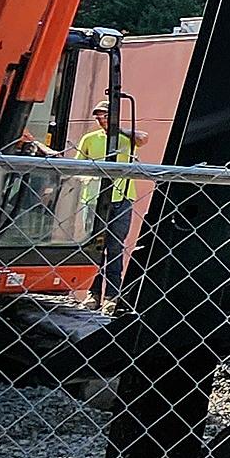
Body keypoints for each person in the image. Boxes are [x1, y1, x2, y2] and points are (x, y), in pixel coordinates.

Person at [76, 100, 138, 306]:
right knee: (95, 248)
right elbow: (78, 166)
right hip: (94, 199)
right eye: (99, 116)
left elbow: (143, 138)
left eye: (105, 115)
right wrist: (87, 178)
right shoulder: (90, 138)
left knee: (114, 247)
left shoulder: (125, 137)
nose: (101, 119)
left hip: (121, 198)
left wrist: (118, 128)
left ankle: (112, 295)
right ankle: (93, 293)